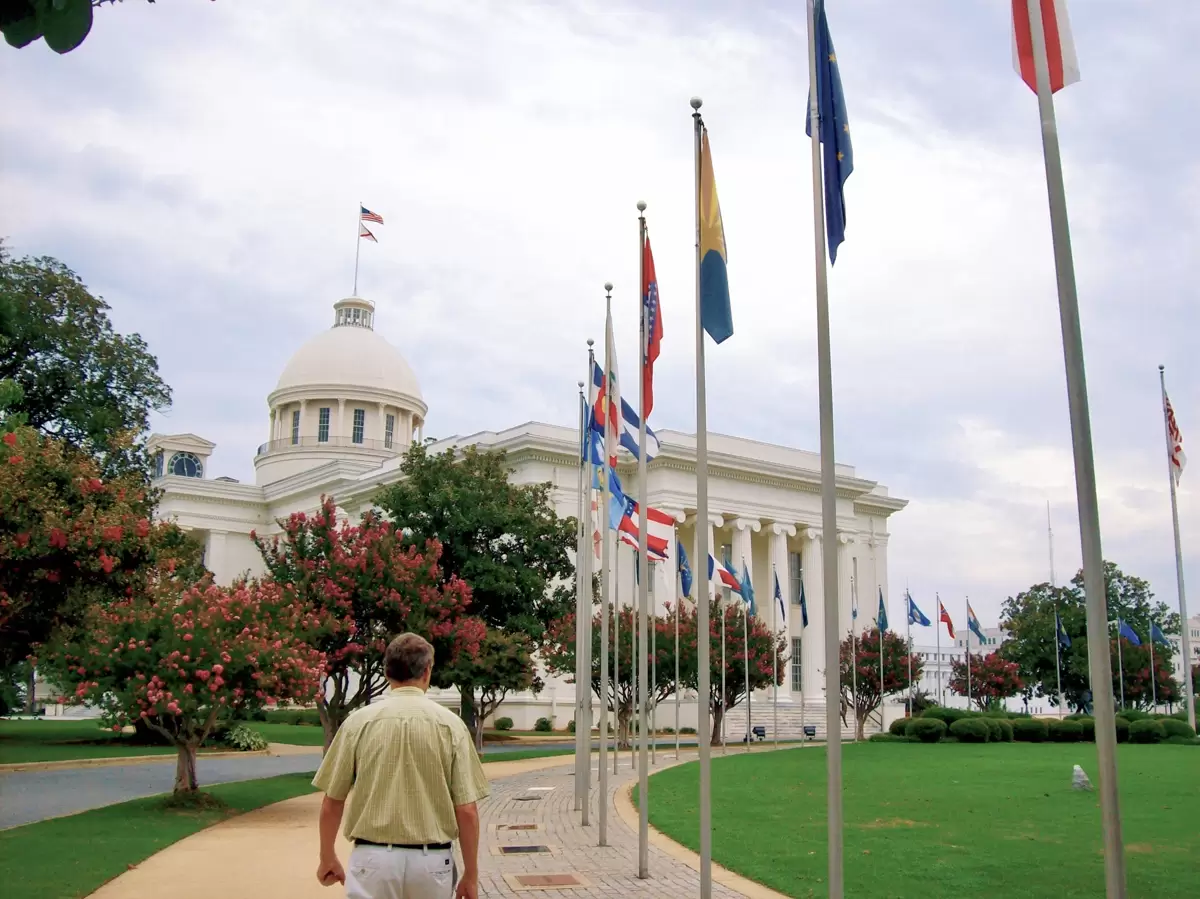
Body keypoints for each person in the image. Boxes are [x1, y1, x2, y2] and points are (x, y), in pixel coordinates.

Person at [313, 632, 489, 899]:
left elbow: (332, 801)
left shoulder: (358, 723)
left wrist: (327, 856)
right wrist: (471, 875)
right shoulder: (451, 726)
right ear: (427, 671)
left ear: (387, 672)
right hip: (431, 863)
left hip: (372, 860)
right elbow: (467, 811)